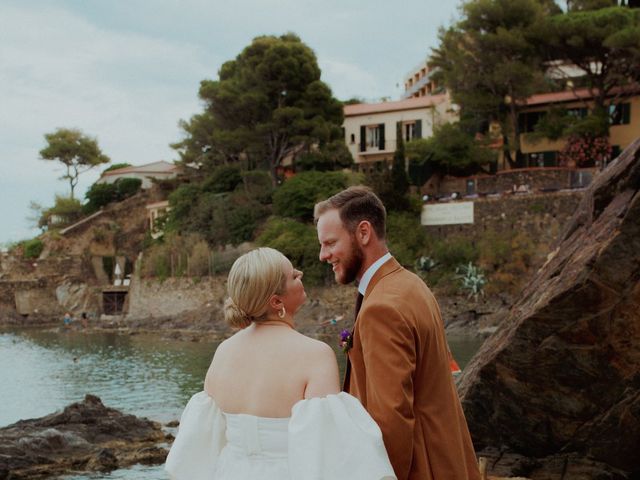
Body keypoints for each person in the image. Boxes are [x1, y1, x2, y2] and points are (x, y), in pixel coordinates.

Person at [165, 247, 396, 480]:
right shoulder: (315, 354)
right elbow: (328, 449)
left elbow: (204, 443)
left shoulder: (224, 352)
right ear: (277, 301)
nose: (301, 274)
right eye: (293, 276)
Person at [314, 186, 480, 480]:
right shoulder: (411, 284)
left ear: (363, 233)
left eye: (330, 243)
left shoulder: (382, 308)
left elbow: (390, 419)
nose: (322, 255)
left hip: (421, 469)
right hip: (448, 462)